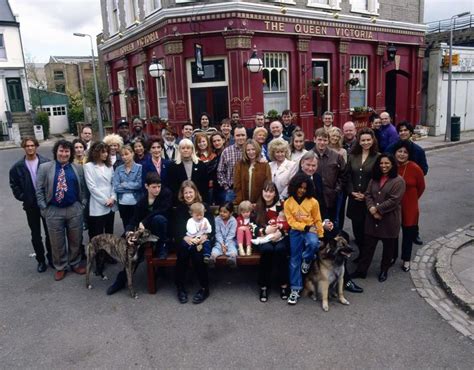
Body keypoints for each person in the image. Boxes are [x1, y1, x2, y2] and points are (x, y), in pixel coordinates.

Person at [106, 172, 172, 295]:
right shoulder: (142, 201)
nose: (157, 189)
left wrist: (145, 222)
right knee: (133, 252)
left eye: (159, 186)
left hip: (164, 232)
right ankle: (121, 280)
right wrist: (129, 232)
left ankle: (162, 248)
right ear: (146, 186)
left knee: (159, 218)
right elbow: (134, 219)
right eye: (154, 187)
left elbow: (163, 211)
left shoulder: (166, 194)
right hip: (146, 233)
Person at [36, 140, 87, 281]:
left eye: (66, 151)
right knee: (56, 242)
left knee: (76, 239)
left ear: (70, 153)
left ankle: (75, 263)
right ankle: (60, 266)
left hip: (74, 209)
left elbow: (82, 188)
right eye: (61, 151)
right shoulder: (45, 168)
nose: (64, 154)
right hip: (53, 210)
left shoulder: (77, 168)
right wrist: (44, 208)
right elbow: (39, 189)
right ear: (56, 151)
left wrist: (82, 204)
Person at [351, 154, 406, 282]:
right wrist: (371, 208)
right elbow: (368, 194)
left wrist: (378, 209)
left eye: (387, 163)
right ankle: (361, 271)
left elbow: (394, 200)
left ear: (392, 165)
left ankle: (384, 270)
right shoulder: (374, 179)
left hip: (389, 220)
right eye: (381, 163)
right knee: (367, 247)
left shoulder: (399, 181)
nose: (383, 166)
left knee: (388, 249)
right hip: (372, 218)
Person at [9, 137, 52, 272]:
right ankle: (40, 260)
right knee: (35, 234)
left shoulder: (46, 162)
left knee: (49, 233)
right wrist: (24, 197)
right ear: (24, 147)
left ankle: (51, 257)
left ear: (36, 146)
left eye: (32, 145)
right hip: (30, 205)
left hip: (45, 204)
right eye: (27, 146)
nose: (30, 148)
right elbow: (14, 185)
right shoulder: (17, 167)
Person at [284, 173, 324, 305]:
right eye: (299, 187)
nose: (302, 190)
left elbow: (318, 219)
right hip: (296, 232)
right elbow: (291, 222)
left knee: (313, 243)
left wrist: (321, 235)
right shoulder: (288, 202)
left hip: (310, 230)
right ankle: (295, 289)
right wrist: (305, 227)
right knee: (295, 260)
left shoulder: (313, 202)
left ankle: (307, 259)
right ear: (294, 187)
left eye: (305, 188)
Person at [387, 121, 428, 245]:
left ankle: (414, 234)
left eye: (405, 130)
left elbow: (424, 170)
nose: (403, 132)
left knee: (411, 217)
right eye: (400, 131)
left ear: (410, 133)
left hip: (410, 190)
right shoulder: (392, 148)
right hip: (393, 191)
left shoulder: (418, 150)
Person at [174, 180, 214, 304]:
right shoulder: (180, 209)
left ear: (195, 192)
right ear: (182, 194)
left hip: (202, 239)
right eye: (185, 193)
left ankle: (204, 288)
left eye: (190, 192)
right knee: (183, 253)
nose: (188, 195)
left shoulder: (204, 207)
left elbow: (211, 226)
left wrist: (205, 236)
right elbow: (175, 228)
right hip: (186, 239)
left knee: (198, 256)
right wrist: (183, 237)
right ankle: (180, 288)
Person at [345, 128, 379, 262]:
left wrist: (366, 195)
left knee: (367, 232)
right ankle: (361, 254)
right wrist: (351, 191)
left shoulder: (378, 157)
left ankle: (365, 259)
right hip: (354, 200)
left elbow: (378, 180)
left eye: (368, 140)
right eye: (363, 140)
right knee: (357, 230)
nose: (365, 142)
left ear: (373, 140)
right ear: (358, 141)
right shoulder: (352, 156)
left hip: (369, 201)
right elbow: (347, 176)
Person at [252, 181, 290, 302]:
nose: (268, 194)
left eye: (271, 191)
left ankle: (283, 284)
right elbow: (250, 226)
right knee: (267, 250)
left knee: (281, 250)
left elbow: (290, 222)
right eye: (266, 191)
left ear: (275, 193)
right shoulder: (257, 207)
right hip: (264, 238)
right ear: (262, 192)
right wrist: (264, 231)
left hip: (280, 237)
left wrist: (281, 232)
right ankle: (263, 286)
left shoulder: (282, 205)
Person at [393, 141, 425, 272]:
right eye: (399, 151)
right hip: (394, 206)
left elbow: (421, 187)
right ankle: (392, 257)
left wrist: (412, 199)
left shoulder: (415, 168)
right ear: (395, 152)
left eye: (405, 152)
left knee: (408, 235)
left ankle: (406, 259)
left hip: (410, 207)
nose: (402, 154)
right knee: (393, 234)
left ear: (409, 154)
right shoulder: (391, 166)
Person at [84, 142, 117, 240]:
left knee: (109, 234)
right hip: (98, 205)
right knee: (97, 236)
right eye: (103, 152)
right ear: (96, 152)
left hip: (111, 205)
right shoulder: (88, 166)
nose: (106, 154)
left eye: (107, 152)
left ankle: (109, 255)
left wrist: (112, 198)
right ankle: (98, 255)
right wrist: (105, 200)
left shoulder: (109, 166)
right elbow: (92, 187)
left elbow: (114, 183)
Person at [313, 128, 346, 223]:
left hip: (331, 196)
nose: (322, 143)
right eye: (319, 139)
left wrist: (337, 189)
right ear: (314, 139)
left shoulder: (336, 156)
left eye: (325, 140)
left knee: (331, 223)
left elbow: (343, 174)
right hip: (314, 197)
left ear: (328, 140)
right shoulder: (308, 156)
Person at [168, 138, 209, 204]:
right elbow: (172, 187)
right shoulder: (173, 166)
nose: (185, 150)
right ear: (179, 150)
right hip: (180, 202)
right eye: (183, 148)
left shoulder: (201, 165)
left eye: (188, 148)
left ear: (192, 150)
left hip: (198, 201)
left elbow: (204, 186)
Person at [113, 144, 143, 230]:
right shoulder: (118, 169)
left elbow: (139, 185)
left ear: (132, 153)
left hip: (136, 202)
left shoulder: (139, 168)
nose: (124, 157)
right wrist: (131, 187)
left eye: (126, 154)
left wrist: (124, 184)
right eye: (122, 155)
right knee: (126, 226)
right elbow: (116, 187)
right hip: (123, 203)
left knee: (137, 227)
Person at [234, 139, 272, 204]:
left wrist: (261, 202)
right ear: (245, 151)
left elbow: (268, 184)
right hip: (244, 203)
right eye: (248, 150)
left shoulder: (264, 165)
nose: (251, 152)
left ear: (257, 150)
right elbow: (237, 185)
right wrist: (242, 201)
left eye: (253, 149)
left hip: (260, 203)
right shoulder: (239, 165)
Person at [217, 125, 247, 202]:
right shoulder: (226, 152)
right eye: (238, 135)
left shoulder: (251, 150)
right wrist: (226, 188)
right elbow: (220, 171)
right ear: (234, 136)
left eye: (243, 135)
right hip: (232, 190)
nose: (240, 137)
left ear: (246, 136)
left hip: (248, 189)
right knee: (231, 212)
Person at [209, 202, 237, 268]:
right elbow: (217, 233)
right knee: (216, 248)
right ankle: (212, 258)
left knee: (232, 248)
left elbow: (231, 234)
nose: (222, 213)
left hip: (230, 240)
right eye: (220, 211)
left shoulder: (233, 221)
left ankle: (232, 259)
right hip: (219, 240)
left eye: (225, 212)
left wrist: (226, 245)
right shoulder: (217, 219)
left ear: (231, 213)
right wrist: (222, 243)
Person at [209, 132, 226, 205]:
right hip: (215, 188)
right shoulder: (212, 155)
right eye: (214, 141)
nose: (216, 143)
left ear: (223, 140)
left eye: (218, 140)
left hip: (225, 188)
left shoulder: (227, 153)